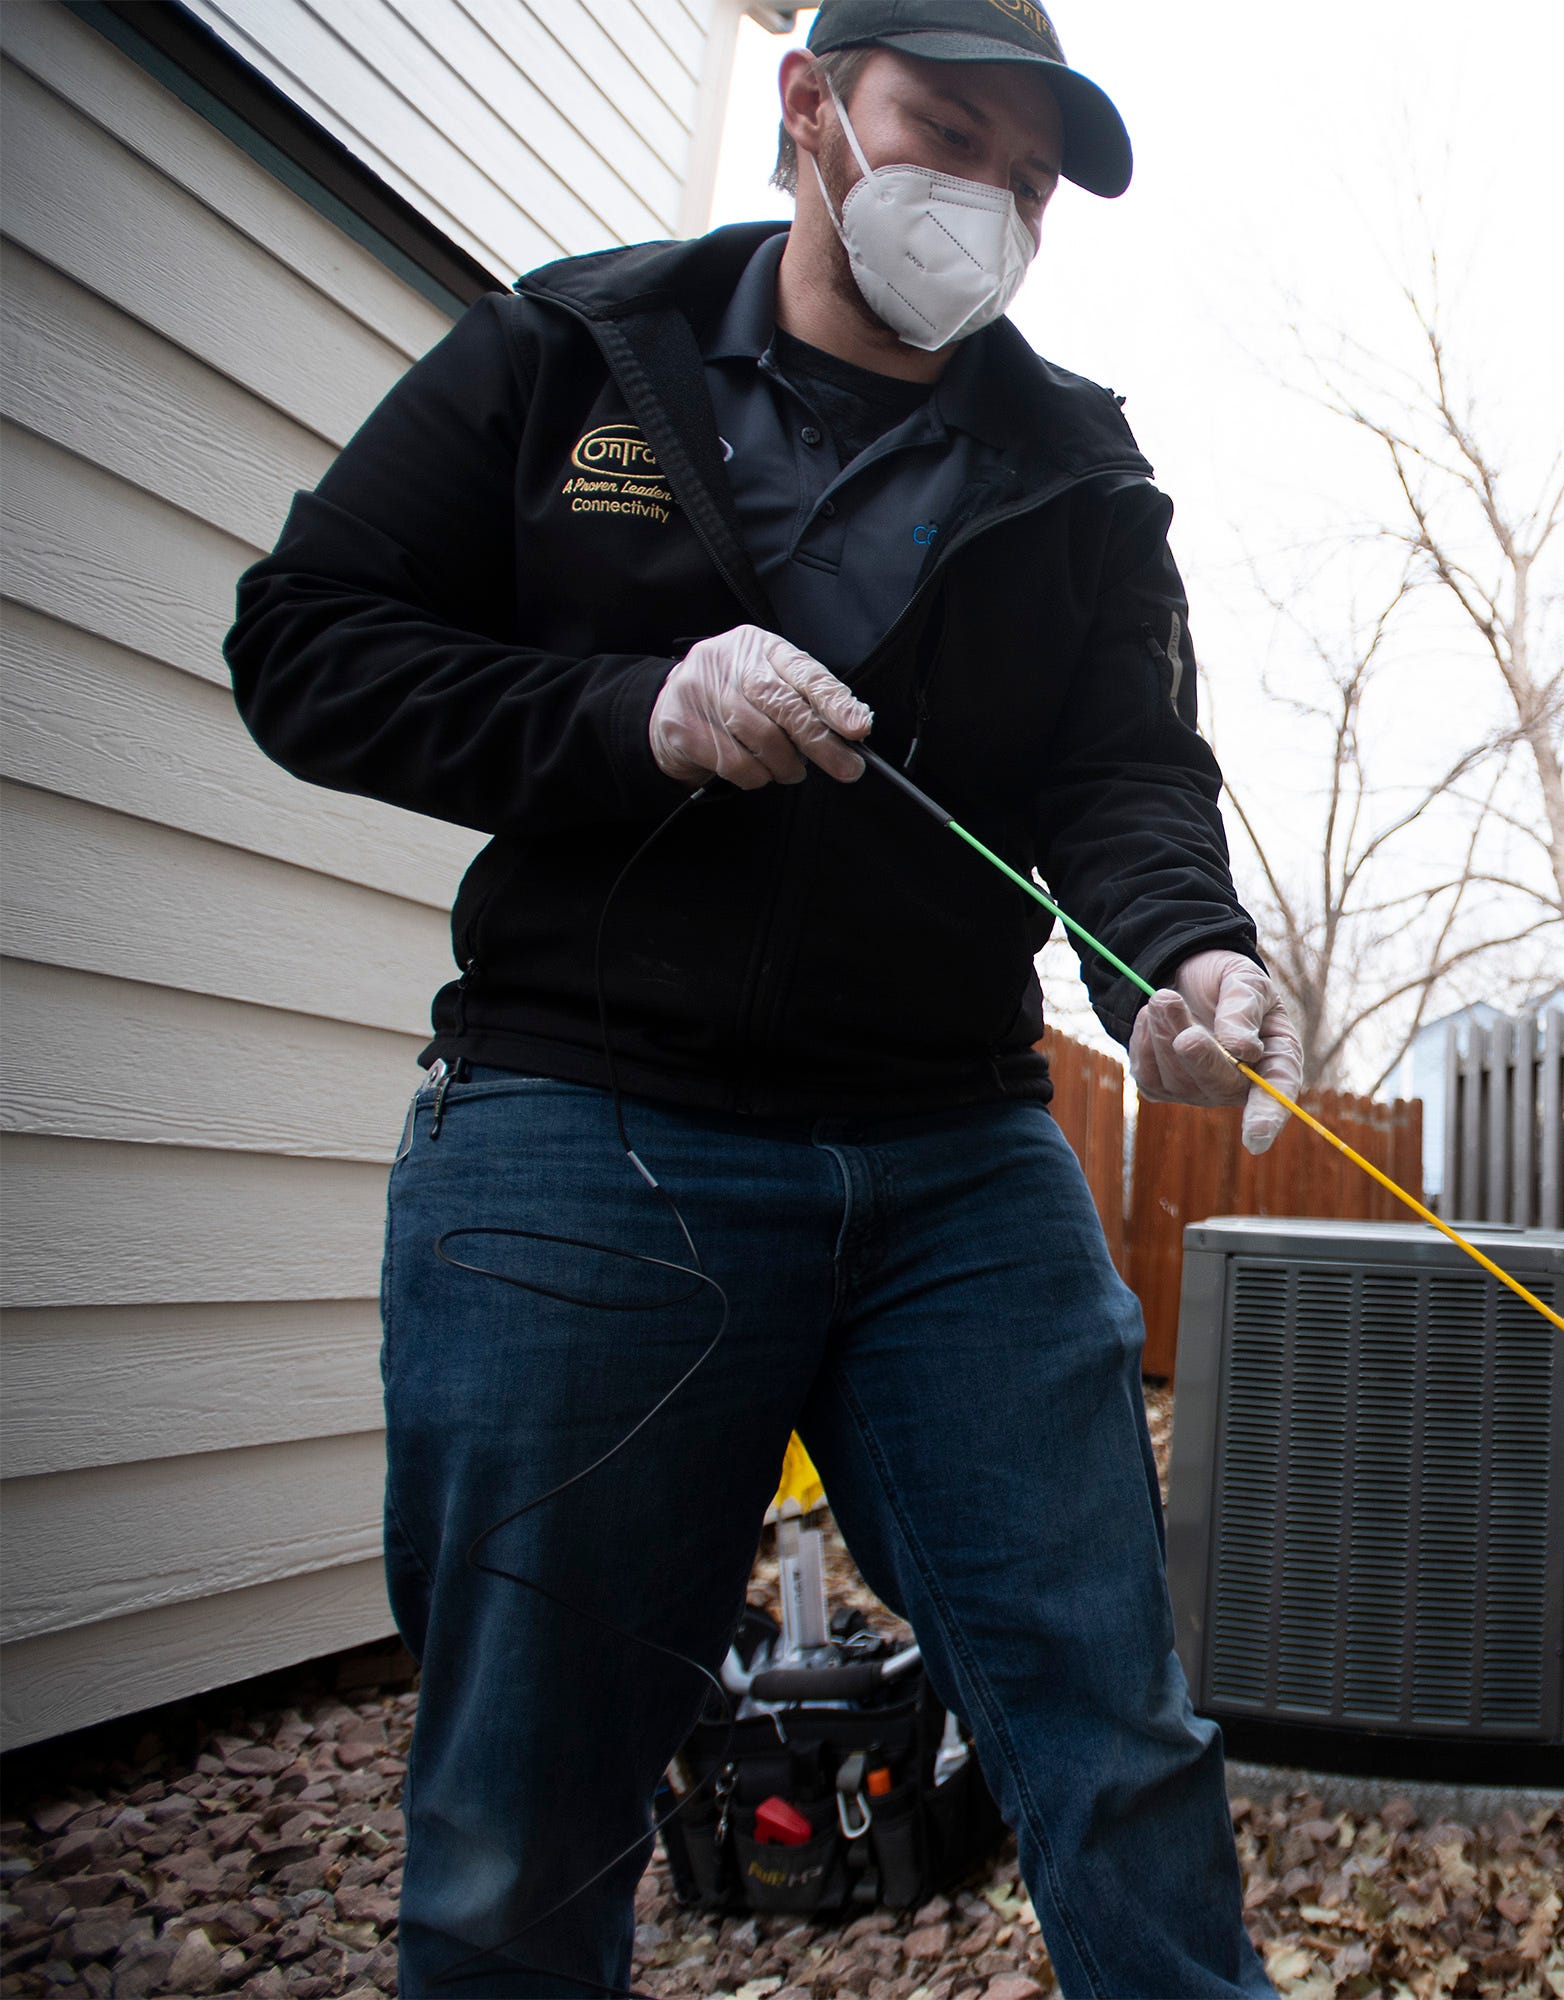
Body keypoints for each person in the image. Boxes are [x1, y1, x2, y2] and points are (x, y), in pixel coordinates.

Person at [224, 3, 1289, 1992]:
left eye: (1027, 180)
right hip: (580, 1140)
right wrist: (641, 710)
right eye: (942, 132)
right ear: (810, 108)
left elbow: (1126, 773)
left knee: (1119, 1735)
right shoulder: (573, 355)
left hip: (957, 1162)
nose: (979, 200)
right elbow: (306, 647)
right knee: (519, 1812)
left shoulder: (1081, 468)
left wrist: (1184, 952)